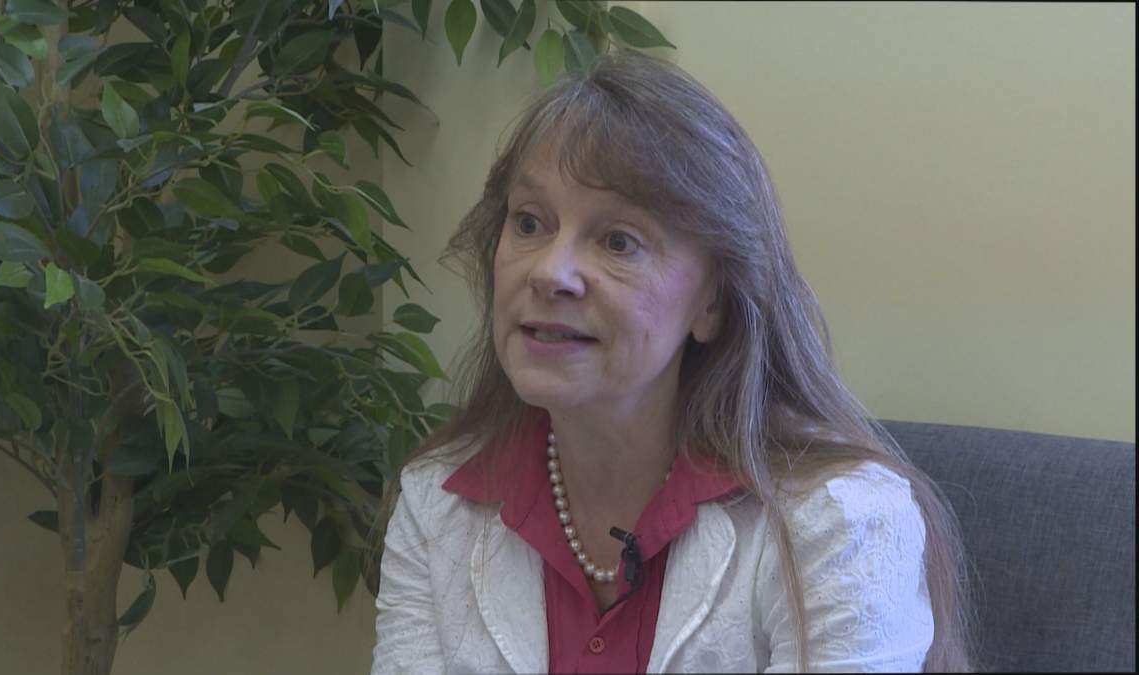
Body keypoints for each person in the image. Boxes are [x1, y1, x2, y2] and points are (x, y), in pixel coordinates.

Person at [370, 50, 978, 673]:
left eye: (618, 241)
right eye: (529, 223)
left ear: (711, 302)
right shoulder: (436, 505)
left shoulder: (841, 522)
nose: (550, 272)